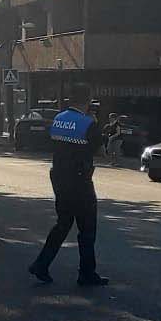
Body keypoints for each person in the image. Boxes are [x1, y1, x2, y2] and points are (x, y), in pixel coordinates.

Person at [29, 91, 109, 287]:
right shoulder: (88, 123)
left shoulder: (59, 118)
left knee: (63, 223)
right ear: (87, 102)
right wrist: (95, 124)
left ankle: (41, 264)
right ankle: (87, 274)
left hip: (59, 177)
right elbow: (100, 151)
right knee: (87, 229)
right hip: (80, 180)